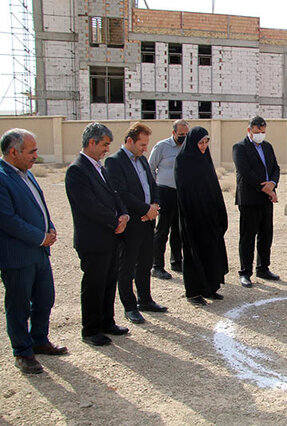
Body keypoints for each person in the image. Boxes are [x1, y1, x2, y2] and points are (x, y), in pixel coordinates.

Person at [0, 128, 67, 374]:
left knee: (44, 298)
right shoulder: (2, 177)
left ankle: (39, 339)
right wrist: (40, 237)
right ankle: (23, 352)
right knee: (19, 305)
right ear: (13, 151)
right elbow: (7, 219)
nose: (35, 156)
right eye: (32, 151)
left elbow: (39, 206)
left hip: (39, 252)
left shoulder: (26, 174)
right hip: (18, 255)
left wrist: (49, 226)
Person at [65, 123, 130, 346]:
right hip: (93, 239)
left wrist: (123, 215)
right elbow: (89, 206)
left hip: (111, 237)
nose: (106, 149)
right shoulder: (77, 170)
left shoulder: (100, 168)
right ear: (91, 143)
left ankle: (106, 322)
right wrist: (115, 221)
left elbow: (114, 195)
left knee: (109, 281)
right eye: (104, 145)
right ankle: (91, 329)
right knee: (94, 284)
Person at [105, 122, 167, 325]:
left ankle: (145, 300)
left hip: (148, 220)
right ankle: (130, 307)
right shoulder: (115, 162)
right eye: (142, 144)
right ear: (129, 141)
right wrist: (145, 209)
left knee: (145, 263)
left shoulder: (141, 161)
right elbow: (120, 192)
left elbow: (152, 184)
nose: (145, 148)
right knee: (127, 265)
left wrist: (155, 205)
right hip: (132, 222)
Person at [174, 126, 228, 306]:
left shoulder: (205, 158)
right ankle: (194, 292)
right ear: (192, 143)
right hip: (193, 216)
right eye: (200, 142)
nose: (204, 146)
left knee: (211, 249)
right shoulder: (183, 160)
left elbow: (212, 186)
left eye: (206, 142)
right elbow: (185, 191)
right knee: (193, 252)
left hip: (209, 214)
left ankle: (210, 288)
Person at [232, 116, 281, 288]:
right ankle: (245, 272)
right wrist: (268, 189)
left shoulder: (268, 147)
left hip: (266, 199)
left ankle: (263, 268)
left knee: (266, 234)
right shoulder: (240, 148)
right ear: (249, 131)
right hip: (250, 198)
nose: (260, 135)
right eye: (257, 132)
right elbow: (246, 173)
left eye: (263, 132)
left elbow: (275, 168)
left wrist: (273, 184)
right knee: (247, 237)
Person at [149, 119, 189, 280]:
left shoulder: (188, 147)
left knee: (178, 229)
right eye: (181, 135)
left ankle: (176, 261)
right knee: (163, 229)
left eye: (186, 134)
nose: (184, 137)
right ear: (173, 133)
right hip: (164, 191)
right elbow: (150, 167)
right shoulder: (162, 146)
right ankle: (157, 266)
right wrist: (154, 191)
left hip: (182, 193)